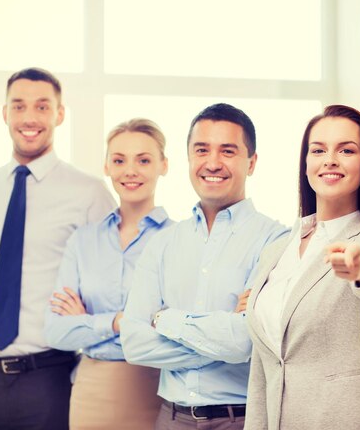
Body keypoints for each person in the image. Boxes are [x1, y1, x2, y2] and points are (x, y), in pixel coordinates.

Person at [0, 67, 116, 430]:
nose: (30, 118)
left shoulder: (88, 193)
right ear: (5, 113)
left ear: (60, 114)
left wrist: (81, 371)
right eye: (19, 106)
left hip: (51, 379)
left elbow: (112, 288)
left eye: (43, 107)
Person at [120, 103, 289, 430]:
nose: (213, 163)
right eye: (201, 150)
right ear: (188, 158)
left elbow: (243, 342)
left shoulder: (276, 241)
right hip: (170, 419)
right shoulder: (163, 243)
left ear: (251, 163)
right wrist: (221, 340)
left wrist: (163, 318)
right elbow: (133, 343)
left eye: (228, 151)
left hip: (240, 421)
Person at [244, 105, 360, 430]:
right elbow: (265, 367)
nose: (330, 159)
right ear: (306, 163)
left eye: (346, 150)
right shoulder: (278, 251)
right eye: (318, 150)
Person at [44, 118, 172, 429]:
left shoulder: (179, 240)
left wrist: (87, 320)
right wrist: (119, 321)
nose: (130, 170)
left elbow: (176, 329)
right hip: (91, 391)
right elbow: (56, 332)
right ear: (106, 166)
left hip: (155, 387)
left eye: (143, 160)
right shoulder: (83, 240)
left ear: (163, 165)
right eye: (119, 160)